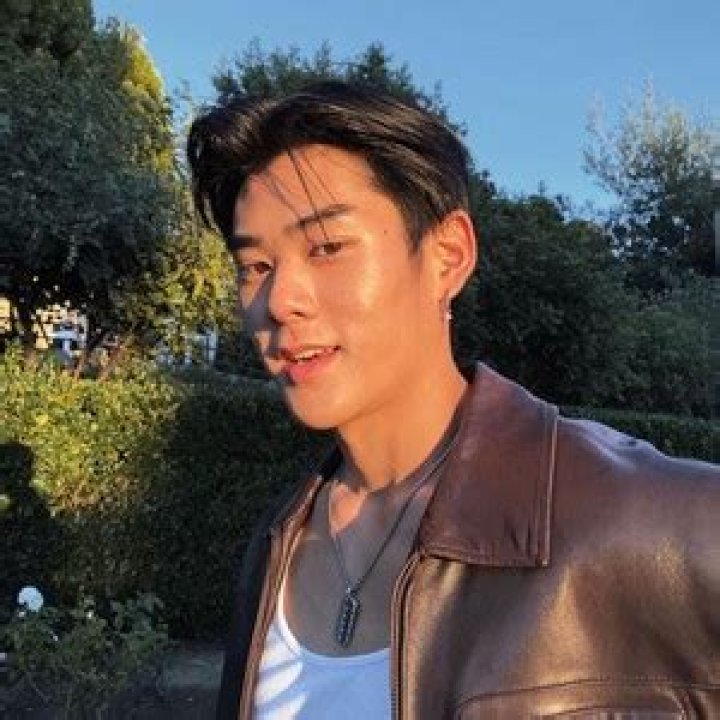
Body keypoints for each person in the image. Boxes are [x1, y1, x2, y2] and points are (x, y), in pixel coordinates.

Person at [187, 81, 720, 720]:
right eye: (255, 267)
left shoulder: (637, 515)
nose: (279, 301)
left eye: (327, 247)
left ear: (448, 257)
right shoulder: (277, 542)